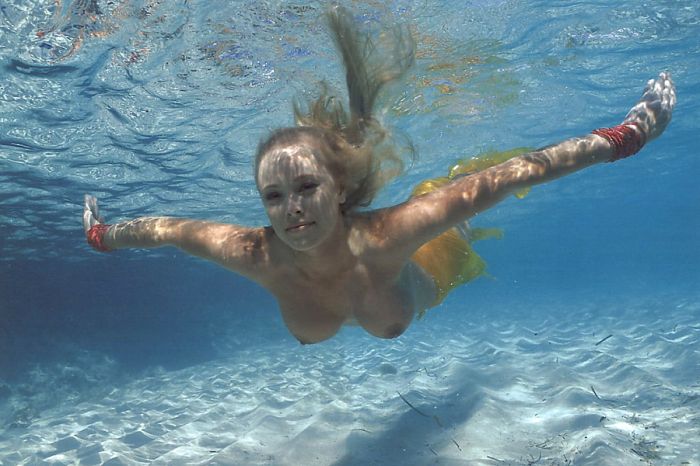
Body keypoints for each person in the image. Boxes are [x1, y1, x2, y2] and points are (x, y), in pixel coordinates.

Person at [83, 6, 676, 345]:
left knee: (459, 201)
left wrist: (626, 137)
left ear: (338, 188)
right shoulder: (251, 253)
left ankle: (453, 204)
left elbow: (506, 177)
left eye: (306, 187)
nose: (292, 207)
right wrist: (101, 236)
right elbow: (164, 230)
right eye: (274, 195)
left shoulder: (389, 235)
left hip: (433, 265)